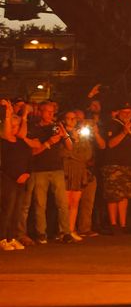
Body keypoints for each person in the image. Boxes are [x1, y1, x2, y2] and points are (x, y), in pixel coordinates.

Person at [27, 101, 76, 243]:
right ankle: (41, 233)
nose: (50, 114)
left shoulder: (56, 127)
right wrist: (48, 142)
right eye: (47, 111)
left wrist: (64, 133)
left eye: (52, 112)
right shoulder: (34, 128)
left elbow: (70, 147)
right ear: (40, 112)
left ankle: (65, 232)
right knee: (40, 204)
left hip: (57, 169)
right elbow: (33, 152)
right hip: (39, 170)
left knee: (62, 202)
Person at [0, 100, 32, 250]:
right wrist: (8, 114)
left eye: (16, 126)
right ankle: (2, 239)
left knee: (16, 210)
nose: (15, 129)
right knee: (6, 210)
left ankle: (11, 237)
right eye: (12, 126)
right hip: (8, 180)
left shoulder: (22, 142)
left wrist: (26, 173)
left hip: (22, 180)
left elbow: (28, 159)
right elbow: (5, 165)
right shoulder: (5, 142)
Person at [101, 103, 131, 232]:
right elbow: (110, 144)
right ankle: (113, 223)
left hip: (127, 165)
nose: (127, 115)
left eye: (129, 113)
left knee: (124, 196)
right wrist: (123, 133)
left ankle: (122, 224)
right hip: (113, 165)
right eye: (124, 112)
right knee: (113, 196)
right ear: (118, 113)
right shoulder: (112, 124)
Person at [62, 110, 97, 238]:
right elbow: (63, 153)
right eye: (69, 118)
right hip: (66, 170)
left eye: (74, 118)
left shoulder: (81, 135)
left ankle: (71, 230)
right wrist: (75, 147)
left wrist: (74, 152)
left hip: (79, 171)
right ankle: (64, 230)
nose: (71, 121)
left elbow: (87, 154)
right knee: (65, 203)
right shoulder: (62, 134)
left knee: (75, 202)